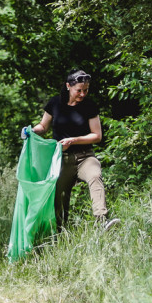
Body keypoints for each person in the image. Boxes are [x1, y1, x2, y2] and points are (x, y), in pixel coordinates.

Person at [24, 69, 118, 230]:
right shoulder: (55, 103)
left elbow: (97, 136)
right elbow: (43, 126)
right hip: (61, 159)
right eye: (79, 90)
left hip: (85, 157)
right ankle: (59, 232)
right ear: (68, 86)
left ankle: (102, 221)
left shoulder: (89, 106)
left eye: (86, 90)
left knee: (95, 175)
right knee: (59, 197)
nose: (83, 94)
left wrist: (73, 140)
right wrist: (31, 131)